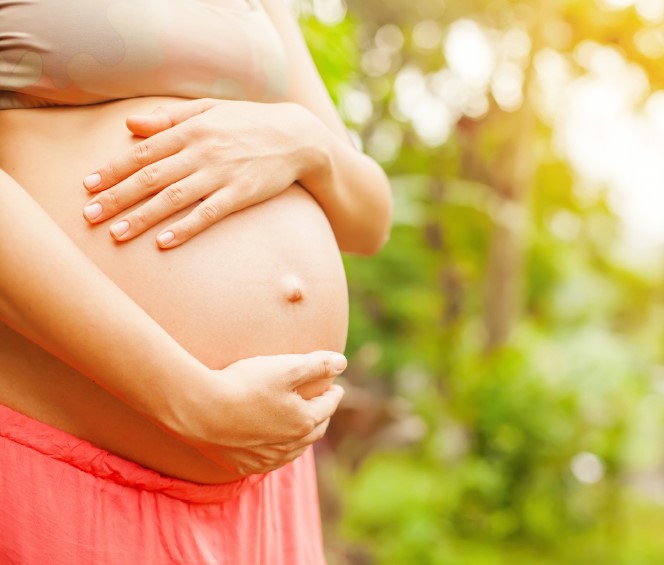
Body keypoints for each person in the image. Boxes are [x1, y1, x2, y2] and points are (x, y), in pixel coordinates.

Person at [0, 0, 391, 563]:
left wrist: (303, 139)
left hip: (259, 497)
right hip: (61, 469)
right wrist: (189, 402)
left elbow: (369, 219)